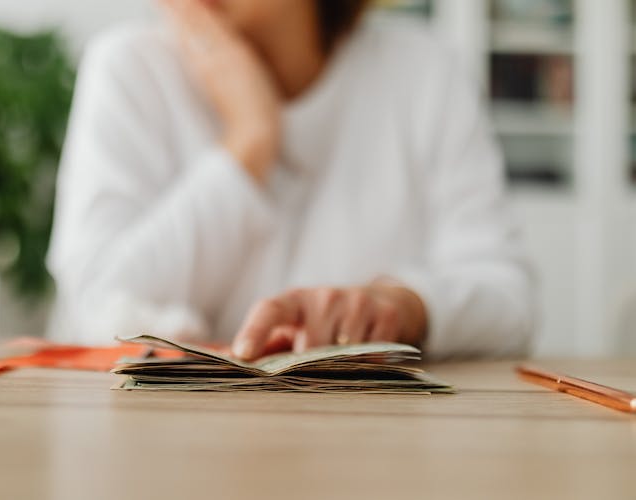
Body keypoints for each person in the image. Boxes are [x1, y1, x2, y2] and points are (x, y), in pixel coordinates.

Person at [47, 0, 534, 360]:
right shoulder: (129, 67)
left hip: (373, 449)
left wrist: (401, 307)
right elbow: (93, 299)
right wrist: (251, 141)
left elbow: (509, 302)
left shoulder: (426, 73)